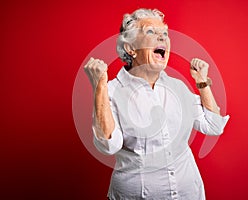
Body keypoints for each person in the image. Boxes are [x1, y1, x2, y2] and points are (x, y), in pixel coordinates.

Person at [84, 8, 229, 200]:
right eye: (151, 32)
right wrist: (99, 87)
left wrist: (202, 82)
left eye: (165, 33)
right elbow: (109, 145)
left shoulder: (177, 87)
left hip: (189, 194)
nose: (162, 38)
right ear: (131, 48)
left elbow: (214, 125)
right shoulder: (111, 91)